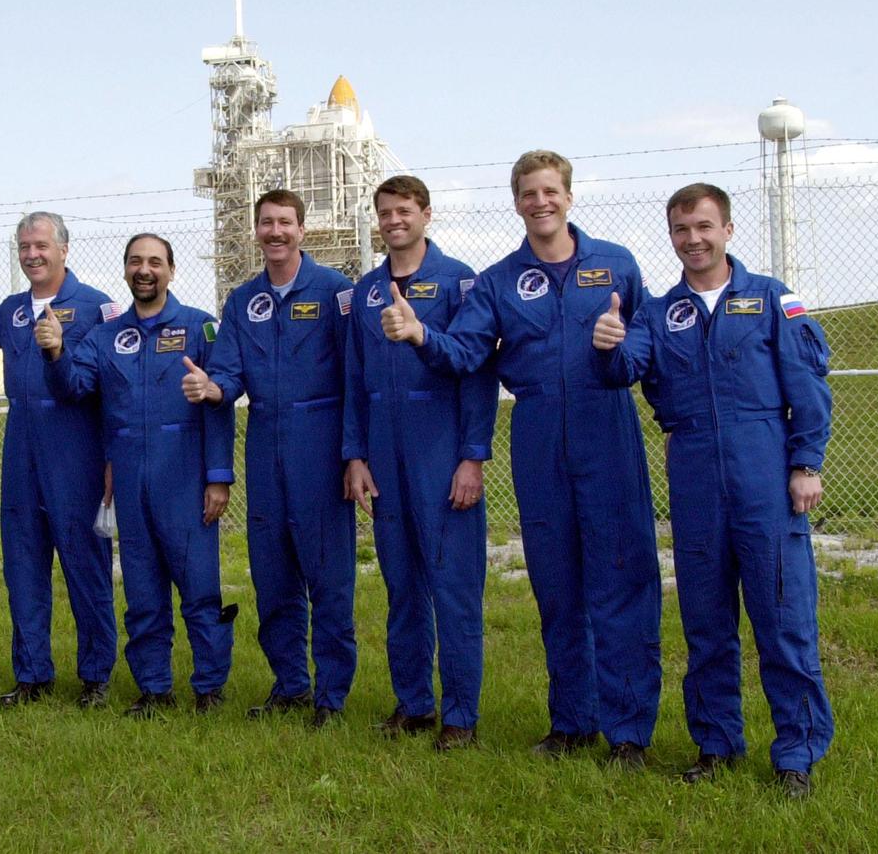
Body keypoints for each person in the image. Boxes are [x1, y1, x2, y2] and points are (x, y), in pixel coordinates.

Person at [382, 150, 661, 767]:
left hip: (605, 432)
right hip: (537, 438)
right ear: (516, 203)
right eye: (529, 193)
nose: (541, 202)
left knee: (619, 585)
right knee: (557, 588)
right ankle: (572, 722)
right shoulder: (500, 281)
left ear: (568, 195)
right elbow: (468, 353)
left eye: (550, 191)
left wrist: (620, 350)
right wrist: (421, 334)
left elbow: (647, 342)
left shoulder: (616, 265)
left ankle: (630, 732)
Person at [593, 183, 833, 797]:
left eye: (703, 226)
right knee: (706, 622)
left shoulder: (772, 298)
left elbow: (806, 384)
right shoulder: (658, 311)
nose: (693, 240)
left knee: (783, 620)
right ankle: (717, 743)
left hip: (764, 473)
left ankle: (796, 752)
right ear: (670, 236)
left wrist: (805, 461)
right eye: (681, 230)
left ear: (727, 229)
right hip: (695, 474)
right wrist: (611, 345)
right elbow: (628, 370)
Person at [39, 233, 237, 716]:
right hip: (129, 481)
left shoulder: (200, 328)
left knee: (199, 589)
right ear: (125, 271)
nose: (144, 270)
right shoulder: (106, 336)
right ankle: (155, 689)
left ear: (171, 270)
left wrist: (218, 476)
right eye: (135, 262)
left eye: (154, 262)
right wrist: (57, 352)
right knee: (144, 592)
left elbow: (222, 399)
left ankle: (209, 688)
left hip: (186, 480)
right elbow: (75, 388)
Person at [181, 189, 357, 728]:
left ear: (303, 230)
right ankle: (290, 683)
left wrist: (353, 453)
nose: (275, 232)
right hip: (264, 443)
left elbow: (357, 376)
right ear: (256, 231)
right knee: (273, 576)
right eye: (266, 223)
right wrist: (215, 389)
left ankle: (331, 696)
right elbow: (230, 370)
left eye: (285, 223)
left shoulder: (335, 292)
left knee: (328, 577)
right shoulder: (243, 301)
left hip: (320, 443)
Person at [0, 213, 119, 710]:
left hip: (75, 447)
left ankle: (96, 675)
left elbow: (111, 387)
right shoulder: (15, 310)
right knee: (23, 565)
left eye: (40, 245)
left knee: (86, 566)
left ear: (63, 249)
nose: (32, 254)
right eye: (23, 246)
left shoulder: (98, 308)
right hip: (22, 447)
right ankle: (33, 674)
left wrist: (111, 457)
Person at [343, 175, 498, 751]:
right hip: (384, 454)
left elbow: (478, 375)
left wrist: (472, 458)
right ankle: (414, 704)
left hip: (441, 452)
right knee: (402, 586)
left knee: (453, 587)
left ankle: (460, 715)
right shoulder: (365, 292)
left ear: (426, 214)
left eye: (404, 211)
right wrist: (355, 454)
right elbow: (354, 379)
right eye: (384, 213)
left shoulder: (460, 283)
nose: (393, 221)